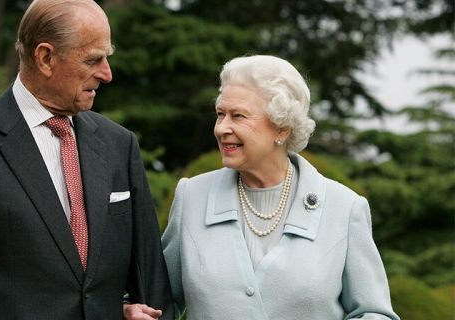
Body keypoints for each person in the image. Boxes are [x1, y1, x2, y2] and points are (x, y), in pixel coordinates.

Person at [0, 0, 174, 319]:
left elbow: (151, 282)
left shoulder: (120, 144)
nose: (107, 74)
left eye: (107, 58)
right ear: (46, 57)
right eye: (94, 60)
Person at [125, 55, 399, 320]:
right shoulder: (192, 197)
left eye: (238, 116)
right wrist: (130, 310)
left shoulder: (344, 208)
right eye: (221, 114)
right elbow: (158, 302)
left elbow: (374, 313)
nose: (222, 128)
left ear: (282, 128)